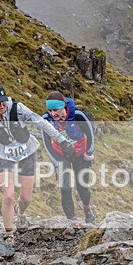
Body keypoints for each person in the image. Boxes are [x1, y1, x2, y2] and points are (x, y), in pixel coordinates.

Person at [0, 84, 76, 244]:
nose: (1, 105)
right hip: (5, 156)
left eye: (3, 101)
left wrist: (63, 141)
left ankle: (19, 212)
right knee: (8, 195)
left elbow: (42, 123)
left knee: (26, 198)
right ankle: (9, 234)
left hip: (27, 154)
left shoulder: (19, 109)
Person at [41, 91, 96, 223]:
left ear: (64, 107)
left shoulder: (77, 115)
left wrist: (89, 153)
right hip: (61, 154)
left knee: (82, 186)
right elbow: (47, 143)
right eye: (50, 110)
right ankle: (72, 221)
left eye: (56, 110)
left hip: (80, 153)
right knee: (65, 188)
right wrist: (55, 161)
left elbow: (90, 134)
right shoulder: (46, 120)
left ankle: (87, 209)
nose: (53, 114)